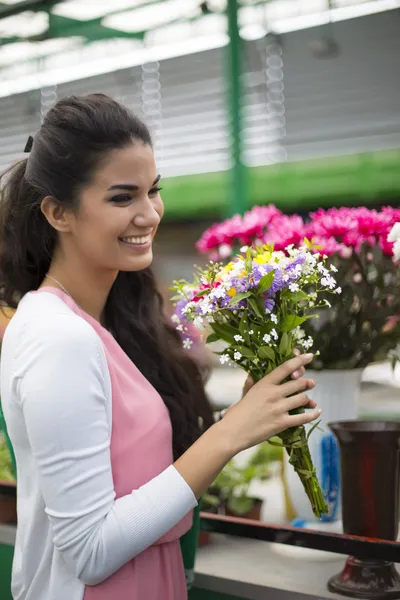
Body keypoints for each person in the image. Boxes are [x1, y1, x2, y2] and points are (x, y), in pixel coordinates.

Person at [0, 94, 321, 600]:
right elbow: (90, 551)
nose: (149, 214)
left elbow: (142, 479)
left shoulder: (100, 324)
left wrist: (246, 417)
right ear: (59, 212)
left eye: (153, 190)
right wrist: (227, 436)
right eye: (122, 197)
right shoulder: (58, 338)